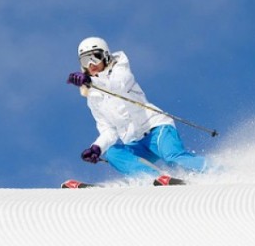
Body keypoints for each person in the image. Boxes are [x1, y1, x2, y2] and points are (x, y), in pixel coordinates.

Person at [66, 36, 207, 184]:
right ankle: (154, 178)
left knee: (174, 160)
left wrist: (91, 81)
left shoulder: (120, 70)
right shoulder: (93, 98)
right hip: (135, 142)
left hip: (156, 130)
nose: (91, 64)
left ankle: (218, 171)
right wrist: (97, 148)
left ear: (106, 56)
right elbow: (108, 130)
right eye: (85, 60)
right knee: (113, 153)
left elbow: (118, 85)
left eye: (95, 57)